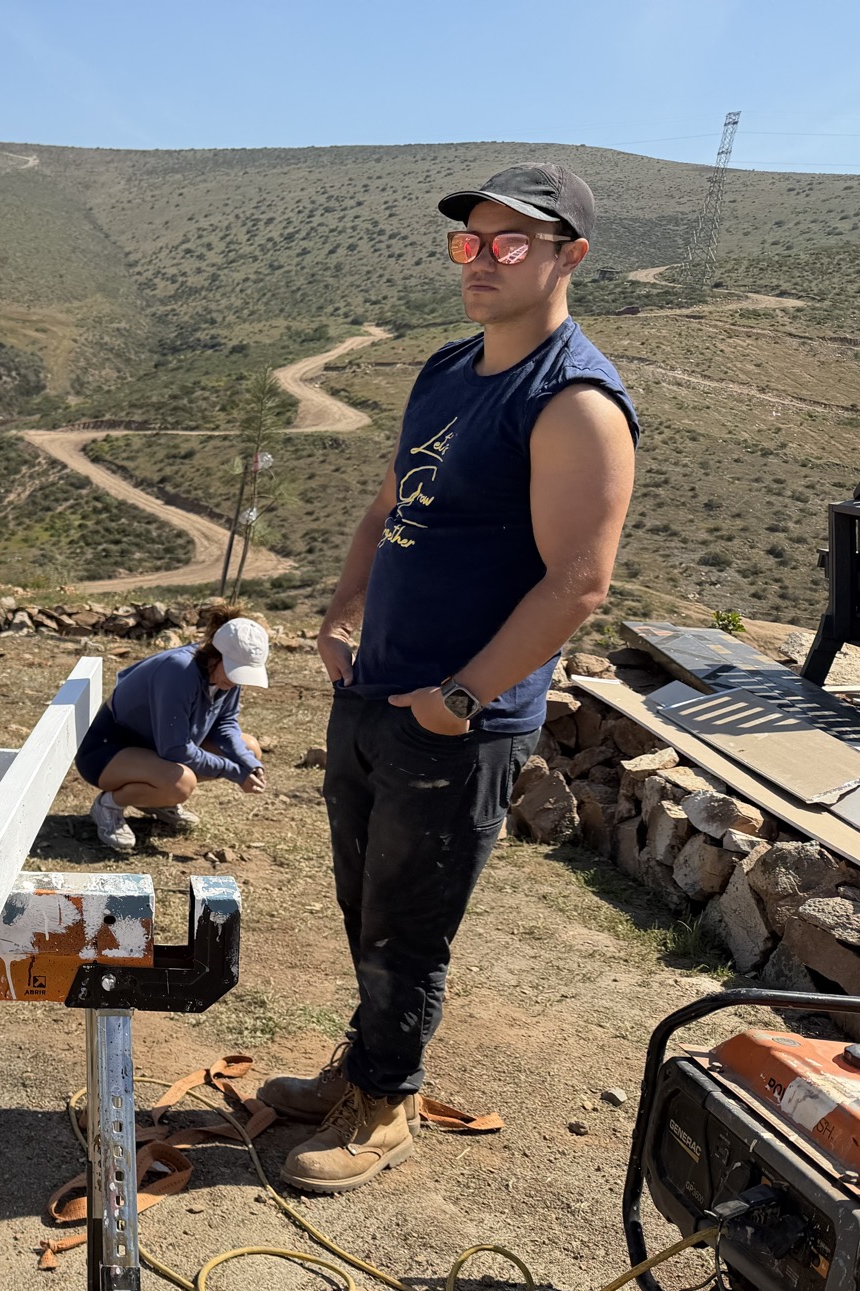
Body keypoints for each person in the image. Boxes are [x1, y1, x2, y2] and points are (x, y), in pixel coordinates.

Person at [262, 164, 637, 1194]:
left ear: (569, 257)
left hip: (454, 722)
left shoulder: (571, 401)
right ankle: (361, 1062)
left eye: (511, 242)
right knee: (359, 902)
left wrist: (461, 696)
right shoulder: (445, 368)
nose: (480, 261)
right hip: (373, 691)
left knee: (406, 922)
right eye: (468, 241)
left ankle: (383, 1103)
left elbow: (578, 582)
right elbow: (388, 506)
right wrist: (341, 613)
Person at [77, 606, 271, 852]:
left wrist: (247, 764)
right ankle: (109, 805)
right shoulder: (178, 670)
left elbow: (225, 724)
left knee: (250, 749)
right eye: (234, 671)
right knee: (181, 783)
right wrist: (235, 773)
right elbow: (176, 750)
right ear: (216, 654)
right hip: (108, 752)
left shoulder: (225, 676)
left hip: (158, 748)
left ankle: (156, 799)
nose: (235, 681)